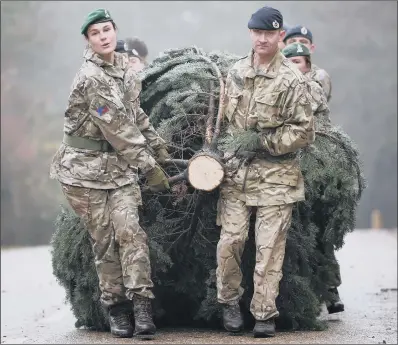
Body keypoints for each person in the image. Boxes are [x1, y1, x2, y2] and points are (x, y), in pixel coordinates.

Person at [49, 8, 171, 339]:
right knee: (105, 242)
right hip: (84, 173)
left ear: (115, 31)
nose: (104, 37)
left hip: (119, 169)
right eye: (95, 33)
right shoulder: (91, 78)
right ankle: (117, 310)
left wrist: (162, 151)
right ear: (88, 40)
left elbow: (136, 116)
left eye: (107, 30)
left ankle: (142, 305)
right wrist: (151, 167)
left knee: (131, 232)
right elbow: (118, 129)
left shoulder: (124, 70)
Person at [216, 6, 315, 338]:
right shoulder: (236, 71)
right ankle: (229, 303)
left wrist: (262, 143)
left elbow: (303, 132)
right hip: (236, 175)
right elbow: (226, 124)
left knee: (269, 248)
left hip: (276, 177)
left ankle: (263, 314)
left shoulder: (291, 78)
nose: (262, 39)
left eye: (269, 34)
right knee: (230, 242)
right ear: (250, 34)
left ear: (280, 36)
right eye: (257, 33)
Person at [282, 43, 345, 314]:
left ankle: (329, 289)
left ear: (308, 65)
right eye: (290, 61)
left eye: (299, 61)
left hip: (314, 168)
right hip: (286, 170)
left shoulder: (312, 89)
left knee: (317, 232)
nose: (295, 66)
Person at [283, 25, 332, 102]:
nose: (297, 45)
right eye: (292, 42)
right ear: (284, 47)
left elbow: (313, 105)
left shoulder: (319, 75)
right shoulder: (276, 70)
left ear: (311, 48)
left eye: (303, 42)